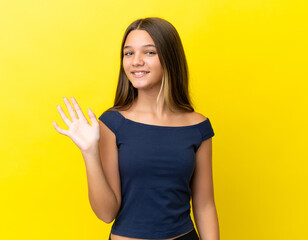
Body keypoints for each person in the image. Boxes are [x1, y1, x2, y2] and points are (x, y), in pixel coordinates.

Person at [52, 17, 220, 240]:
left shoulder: (197, 126)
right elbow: (106, 213)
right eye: (128, 53)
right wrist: (90, 152)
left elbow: (205, 205)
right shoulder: (112, 124)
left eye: (149, 52)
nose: (136, 61)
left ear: (169, 58)